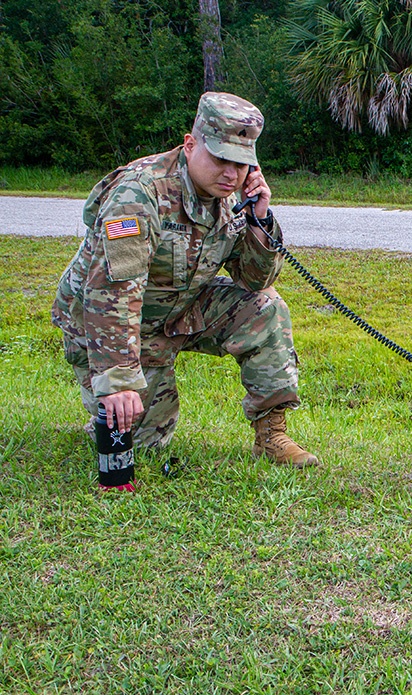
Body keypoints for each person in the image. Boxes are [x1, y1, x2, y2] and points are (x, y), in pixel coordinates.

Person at [52, 91, 319, 491]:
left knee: (266, 306)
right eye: (221, 159)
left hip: (178, 309)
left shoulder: (233, 198)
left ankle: (271, 435)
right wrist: (118, 379)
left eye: (242, 163)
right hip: (110, 325)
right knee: (143, 443)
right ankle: (108, 403)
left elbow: (254, 280)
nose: (232, 173)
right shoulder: (140, 193)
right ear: (191, 145)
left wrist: (260, 217)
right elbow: (112, 290)